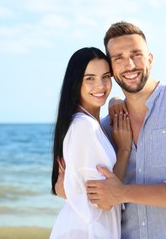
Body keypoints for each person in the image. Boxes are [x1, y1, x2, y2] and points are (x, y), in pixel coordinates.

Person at [55, 22, 166, 238]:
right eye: (119, 58)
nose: (129, 64)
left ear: (150, 59)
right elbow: (80, 192)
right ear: (112, 70)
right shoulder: (106, 129)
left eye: (136, 54)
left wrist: (123, 193)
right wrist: (66, 185)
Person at [50, 47, 132, 239]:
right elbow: (105, 200)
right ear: (75, 82)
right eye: (90, 78)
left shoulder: (88, 123)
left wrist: (115, 100)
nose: (100, 86)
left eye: (105, 76)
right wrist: (124, 149)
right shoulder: (84, 127)